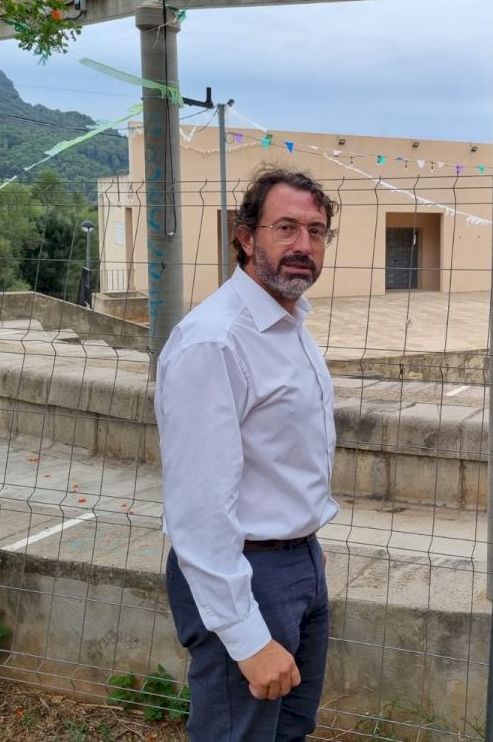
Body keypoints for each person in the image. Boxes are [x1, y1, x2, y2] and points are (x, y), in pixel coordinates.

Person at [155, 165, 340, 741]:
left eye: (316, 231)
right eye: (285, 228)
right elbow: (198, 508)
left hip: (297, 564)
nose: (303, 245)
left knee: (289, 731)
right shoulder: (215, 341)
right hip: (245, 574)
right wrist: (246, 636)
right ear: (244, 237)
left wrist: (304, 550)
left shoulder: (289, 325)